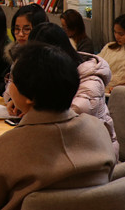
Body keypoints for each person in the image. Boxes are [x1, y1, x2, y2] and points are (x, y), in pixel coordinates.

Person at [0, 43, 116, 210]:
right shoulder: (99, 129)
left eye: (12, 79)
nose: (9, 84)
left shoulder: (6, 148)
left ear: (29, 97)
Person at [25, 22, 118, 159]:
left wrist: (29, 107)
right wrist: (15, 101)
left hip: (98, 153)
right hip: (66, 144)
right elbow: (15, 87)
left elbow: (72, 115)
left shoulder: (90, 79)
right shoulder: (50, 71)